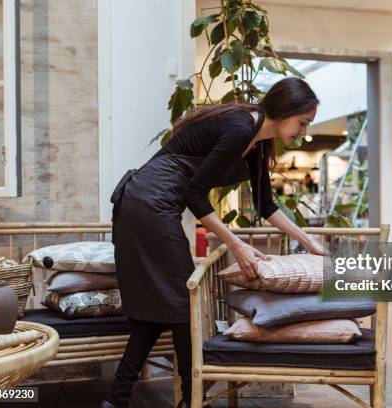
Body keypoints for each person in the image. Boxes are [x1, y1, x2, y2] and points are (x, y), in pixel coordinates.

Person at [102, 77, 325, 408]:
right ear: (285, 110)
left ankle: (118, 398)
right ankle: (193, 399)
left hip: (148, 201)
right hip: (150, 200)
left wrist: (309, 242)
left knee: (164, 306)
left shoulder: (258, 142)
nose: (304, 132)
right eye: (303, 122)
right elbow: (194, 193)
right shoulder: (239, 128)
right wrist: (237, 244)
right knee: (183, 301)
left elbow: (266, 206)